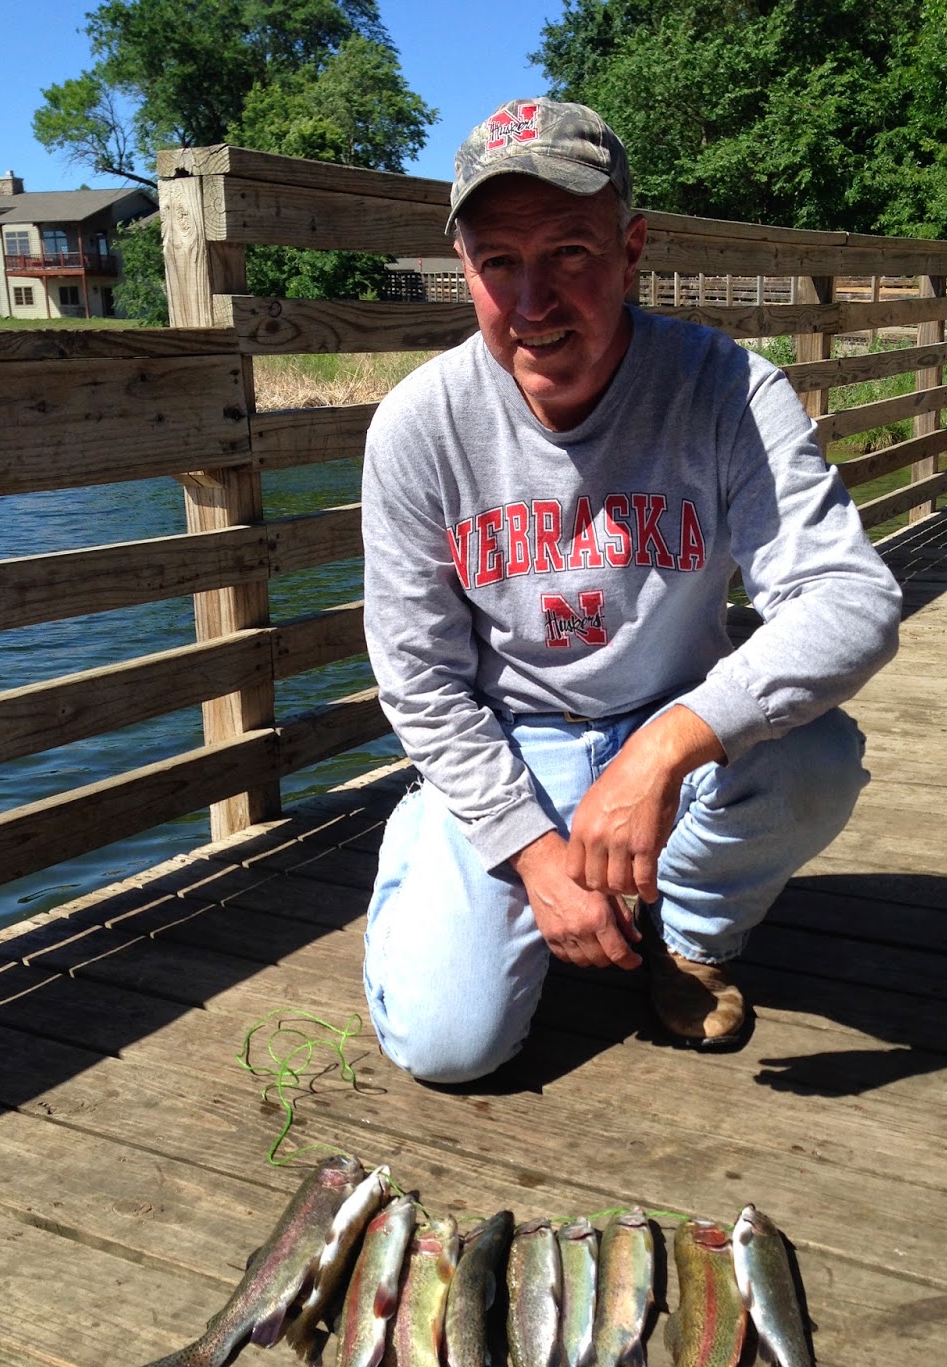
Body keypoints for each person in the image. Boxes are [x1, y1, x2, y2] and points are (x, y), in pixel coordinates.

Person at [360, 97, 901, 1085]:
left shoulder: (729, 389)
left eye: (569, 251)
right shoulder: (417, 427)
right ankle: (443, 835)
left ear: (632, 245)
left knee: (816, 754)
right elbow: (420, 681)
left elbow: (851, 599)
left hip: (673, 719)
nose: (534, 300)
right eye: (499, 263)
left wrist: (662, 748)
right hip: (512, 738)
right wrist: (531, 855)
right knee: (446, 1046)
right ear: (467, 269)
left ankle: (691, 931)